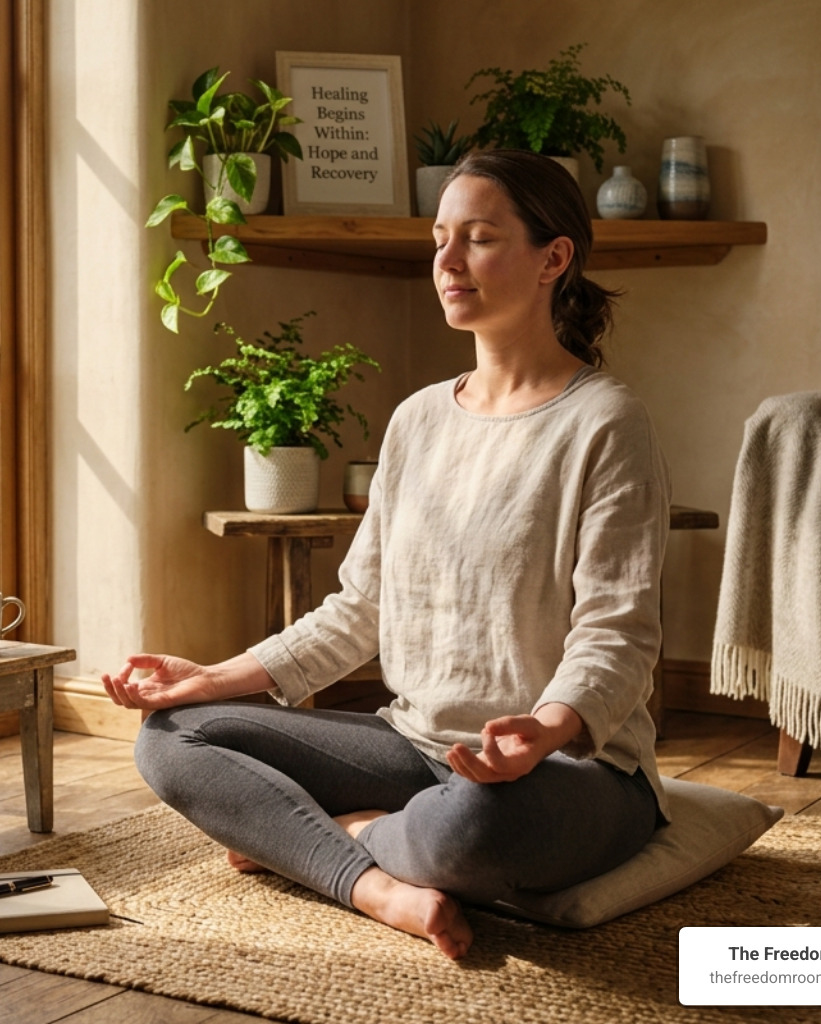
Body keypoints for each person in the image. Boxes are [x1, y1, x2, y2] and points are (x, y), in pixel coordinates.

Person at [102, 149, 671, 961]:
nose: (445, 262)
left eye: (477, 238)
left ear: (555, 258)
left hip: (571, 774)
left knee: (473, 830)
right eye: (440, 238)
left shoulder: (607, 422)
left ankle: (320, 838)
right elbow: (360, 607)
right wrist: (210, 677)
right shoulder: (417, 421)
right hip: (415, 745)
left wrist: (545, 730)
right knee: (171, 734)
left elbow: (618, 634)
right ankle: (377, 887)